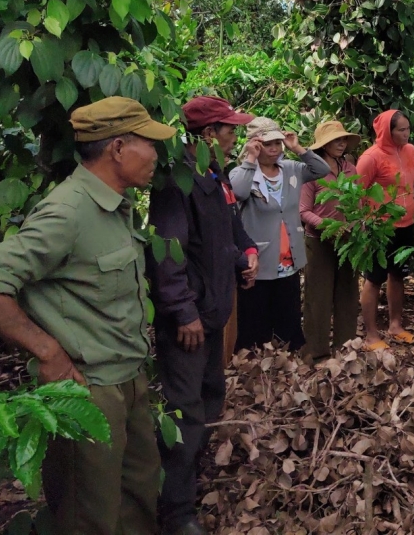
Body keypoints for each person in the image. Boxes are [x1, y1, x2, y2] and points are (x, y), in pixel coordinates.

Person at [0, 97, 175, 535]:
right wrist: (47, 351)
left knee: (137, 500)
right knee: (89, 515)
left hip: (128, 380)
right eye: (148, 143)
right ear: (117, 148)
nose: (156, 154)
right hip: (87, 391)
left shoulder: (115, 204)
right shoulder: (67, 212)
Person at [147, 95, 259, 535]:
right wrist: (181, 312)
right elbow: (167, 256)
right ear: (208, 135)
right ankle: (175, 512)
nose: (236, 137)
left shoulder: (215, 178)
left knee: (211, 394)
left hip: (212, 314)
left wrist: (243, 256)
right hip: (189, 323)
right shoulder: (177, 184)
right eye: (230, 130)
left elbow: (224, 234)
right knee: (184, 409)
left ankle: (190, 477)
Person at [231, 116, 329, 352]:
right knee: (256, 322)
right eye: (267, 144)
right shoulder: (242, 172)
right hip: (259, 262)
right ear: (254, 143)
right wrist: (250, 159)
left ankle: (288, 372)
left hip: (288, 261)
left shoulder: (291, 170)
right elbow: (239, 192)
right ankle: (256, 373)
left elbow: (321, 169)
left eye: (277, 143)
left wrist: (297, 147)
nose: (274, 149)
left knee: (288, 318)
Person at [356, 109, 414, 350]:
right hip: (380, 229)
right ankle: (371, 335)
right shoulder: (371, 157)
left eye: (408, 129)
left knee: (398, 275)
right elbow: (357, 194)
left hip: (406, 225)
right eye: (401, 130)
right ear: (387, 131)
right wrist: (364, 225)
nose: (407, 134)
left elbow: (410, 184)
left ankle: (396, 326)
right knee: (373, 279)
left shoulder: (411, 151)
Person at [300, 120, 362, 362]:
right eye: (336, 140)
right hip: (318, 241)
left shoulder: (350, 168)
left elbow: (356, 204)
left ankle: (345, 348)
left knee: (347, 295)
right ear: (323, 145)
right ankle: (316, 352)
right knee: (318, 298)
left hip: (347, 241)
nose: (341, 143)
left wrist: (357, 226)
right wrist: (328, 226)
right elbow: (303, 211)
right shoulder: (312, 171)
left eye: (343, 139)